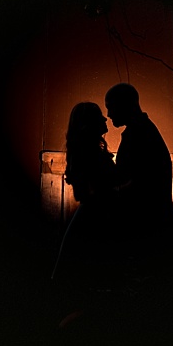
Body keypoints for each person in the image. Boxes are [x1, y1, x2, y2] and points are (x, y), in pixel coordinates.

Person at [105, 82, 173, 252]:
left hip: (148, 223)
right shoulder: (142, 130)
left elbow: (141, 182)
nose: (108, 114)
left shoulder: (139, 134)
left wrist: (109, 193)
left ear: (125, 104)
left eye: (111, 107)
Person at [55, 102, 121, 279]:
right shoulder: (90, 155)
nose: (104, 118)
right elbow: (95, 193)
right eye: (98, 115)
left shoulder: (87, 152)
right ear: (89, 123)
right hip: (95, 221)